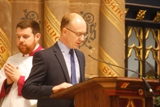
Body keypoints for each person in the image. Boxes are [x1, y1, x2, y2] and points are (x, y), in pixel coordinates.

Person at [22, 13, 87, 107]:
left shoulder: (80, 56)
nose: (82, 39)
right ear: (65, 31)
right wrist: (53, 89)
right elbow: (27, 90)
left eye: (84, 34)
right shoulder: (45, 56)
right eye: (79, 34)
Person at [0, 20, 43, 107]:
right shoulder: (12, 60)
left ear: (37, 36)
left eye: (25, 36)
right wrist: (7, 83)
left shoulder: (47, 59)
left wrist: (19, 79)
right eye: (18, 36)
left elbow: (45, 90)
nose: (21, 40)